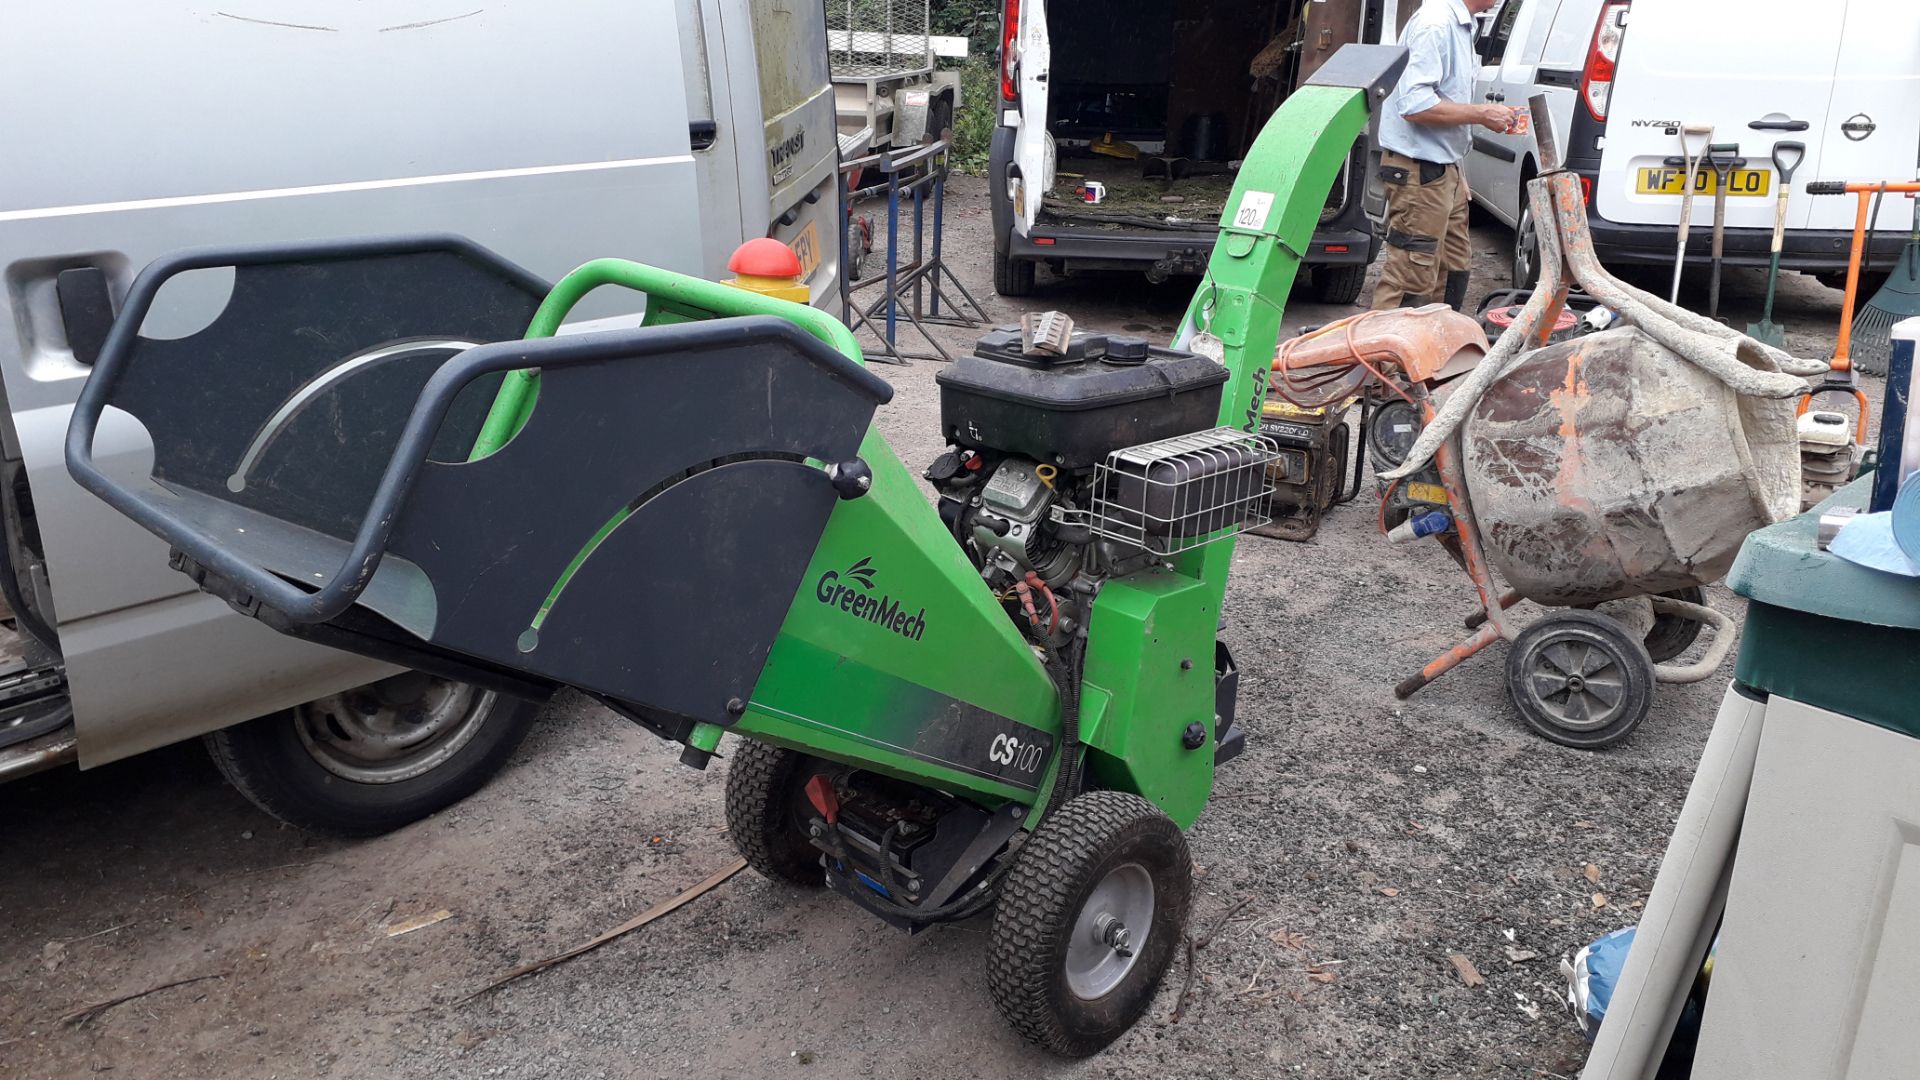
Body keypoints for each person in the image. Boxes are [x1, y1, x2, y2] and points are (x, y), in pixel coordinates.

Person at [1371, 0, 1519, 311]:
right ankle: (1382, 359)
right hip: (1417, 171)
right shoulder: (1435, 24)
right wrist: (1481, 113)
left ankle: (1437, 346)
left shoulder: (1462, 24)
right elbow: (1415, 105)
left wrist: (1457, 172)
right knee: (1411, 274)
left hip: (1443, 169)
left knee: (1453, 266)